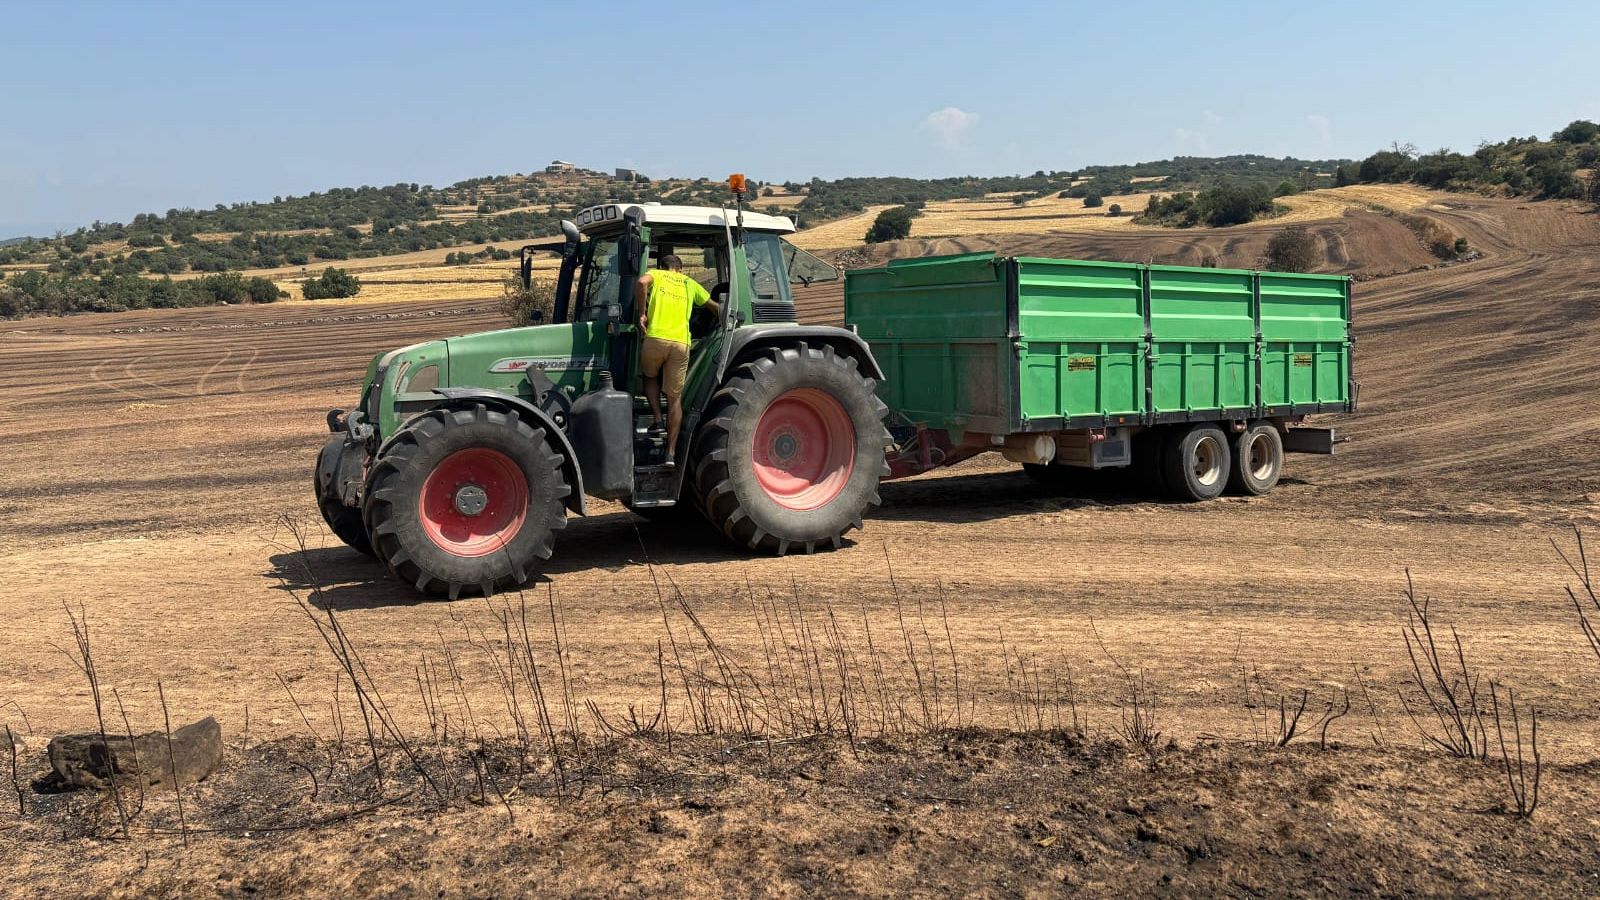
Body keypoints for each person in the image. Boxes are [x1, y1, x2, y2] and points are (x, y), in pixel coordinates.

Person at [635, 254, 719, 467]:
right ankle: (670, 454)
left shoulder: (656, 274)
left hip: (656, 338)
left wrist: (642, 314)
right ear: (679, 269)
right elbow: (712, 305)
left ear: (663, 267)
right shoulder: (689, 282)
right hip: (681, 343)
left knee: (649, 377)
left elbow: (641, 282)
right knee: (675, 399)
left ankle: (657, 419)